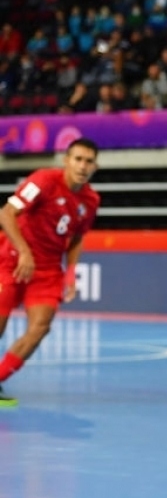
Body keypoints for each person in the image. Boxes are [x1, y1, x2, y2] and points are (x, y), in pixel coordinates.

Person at [0, 138, 101, 406]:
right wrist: (24, 251)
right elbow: (6, 213)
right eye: (78, 159)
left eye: (88, 161)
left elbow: (77, 237)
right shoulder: (43, 180)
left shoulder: (90, 200)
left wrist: (71, 273)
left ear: (95, 166)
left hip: (47, 270)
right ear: (66, 160)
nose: (82, 166)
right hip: (11, 259)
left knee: (40, 327)